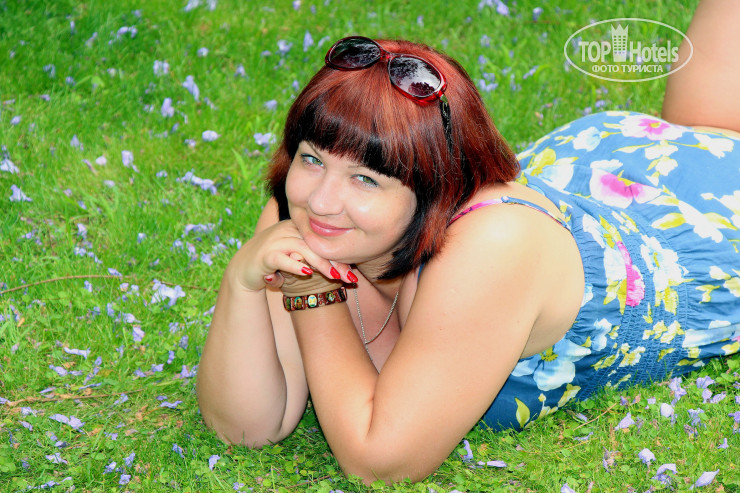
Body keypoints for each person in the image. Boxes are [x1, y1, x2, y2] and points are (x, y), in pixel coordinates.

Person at [196, 0, 740, 484]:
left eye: (365, 179)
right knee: (707, 121)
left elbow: (379, 460)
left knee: (718, 134)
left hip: (711, 220)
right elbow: (246, 427)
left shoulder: (488, 250)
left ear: (434, 188)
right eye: (312, 158)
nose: (320, 201)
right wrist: (241, 283)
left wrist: (313, 292)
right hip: (598, 165)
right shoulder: (309, 215)